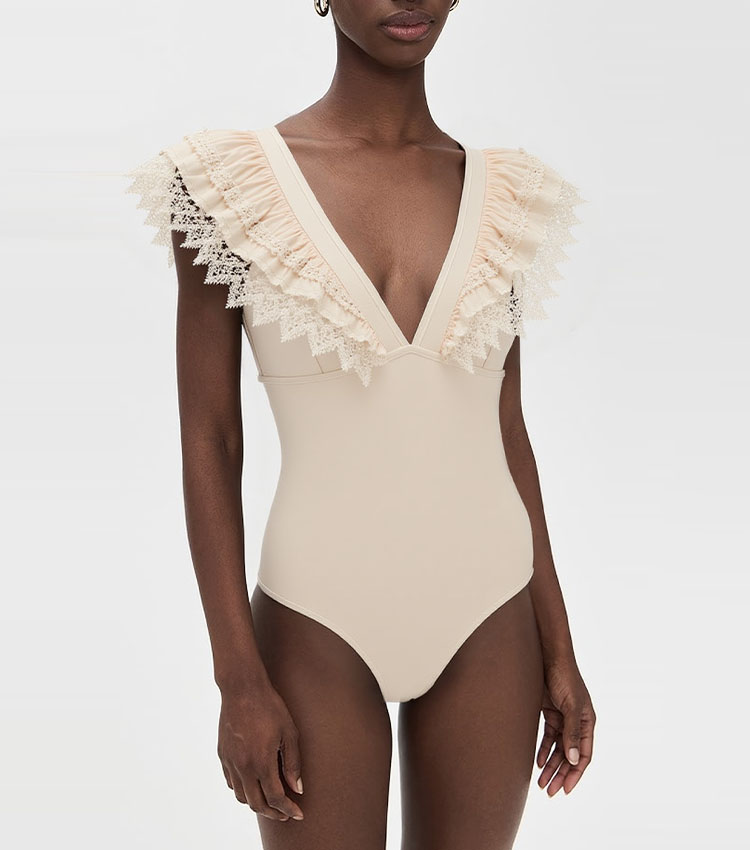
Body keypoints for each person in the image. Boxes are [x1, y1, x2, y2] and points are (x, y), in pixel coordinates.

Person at [126, 1, 596, 847]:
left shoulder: (506, 195)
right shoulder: (229, 186)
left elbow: (506, 429)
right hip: (316, 620)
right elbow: (210, 440)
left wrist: (559, 645)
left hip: (493, 613)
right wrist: (237, 679)